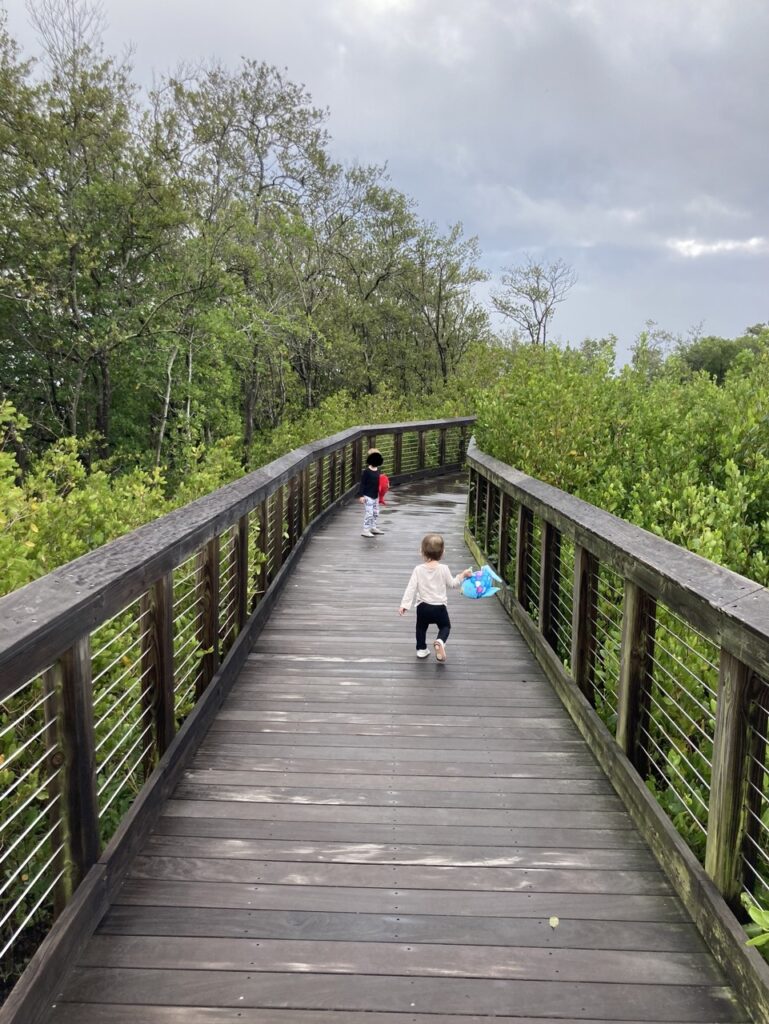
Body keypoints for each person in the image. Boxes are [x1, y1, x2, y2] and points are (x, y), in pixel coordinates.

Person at [398, 533, 472, 662]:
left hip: (423, 606)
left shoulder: (418, 569)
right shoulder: (444, 569)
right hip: (439, 607)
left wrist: (405, 605)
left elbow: (411, 588)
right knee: (445, 627)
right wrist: (462, 575)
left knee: (421, 627)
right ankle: (440, 641)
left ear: (422, 552)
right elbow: (452, 584)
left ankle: (421, 649)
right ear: (442, 552)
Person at [357, 447, 384, 537]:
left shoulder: (378, 470)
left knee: (376, 512)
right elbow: (362, 484)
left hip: (376, 495)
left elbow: (380, 482)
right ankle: (365, 529)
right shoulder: (366, 472)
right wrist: (361, 496)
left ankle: (373, 527)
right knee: (369, 513)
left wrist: (385, 487)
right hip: (368, 496)